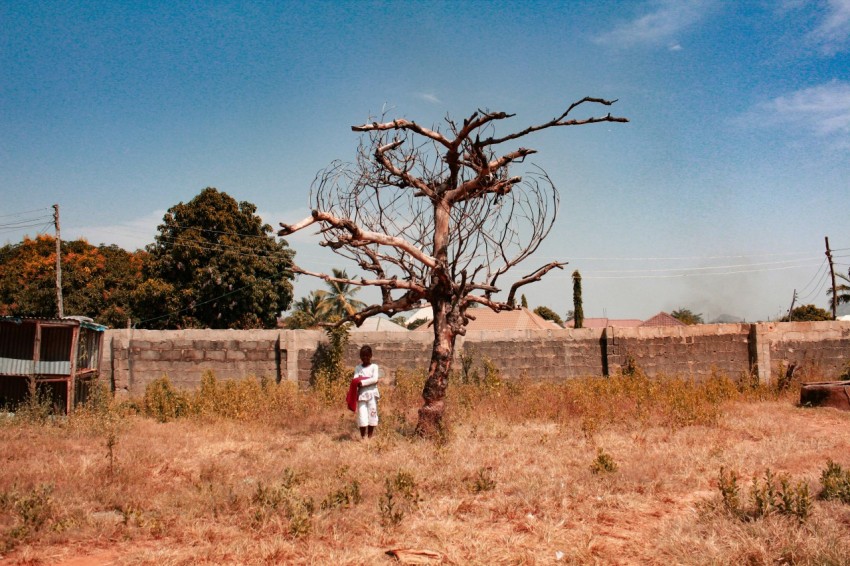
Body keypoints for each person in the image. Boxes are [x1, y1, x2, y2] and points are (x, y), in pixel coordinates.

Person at [352, 345, 380, 439]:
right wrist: (366, 381)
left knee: (372, 414)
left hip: (372, 394)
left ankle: (370, 437)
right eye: (363, 356)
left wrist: (362, 381)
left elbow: (375, 379)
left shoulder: (374, 367)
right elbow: (355, 380)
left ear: (371, 355)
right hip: (362, 395)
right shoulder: (358, 368)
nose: (365, 358)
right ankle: (363, 437)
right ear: (360, 356)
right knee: (362, 416)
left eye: (367, 356)